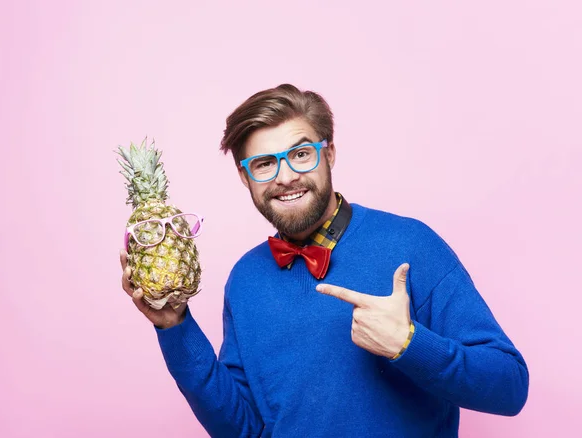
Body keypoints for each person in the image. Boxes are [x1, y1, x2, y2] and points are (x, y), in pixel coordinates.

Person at [119, 84, 529, 437]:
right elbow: (241, 429)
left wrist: (408, 344)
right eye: (263, 164)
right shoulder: (245, 280)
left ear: (329, 153)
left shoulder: (410, 244)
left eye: (300, 155)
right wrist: (174, 328)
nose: (285, 177)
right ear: (245, 177)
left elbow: (510, 387)